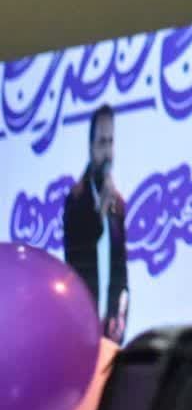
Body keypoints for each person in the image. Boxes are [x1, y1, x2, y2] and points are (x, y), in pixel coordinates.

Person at [63, 104, 129, 342]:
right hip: (81, 329)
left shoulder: (118, 204)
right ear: (90, 147)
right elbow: (75, 255)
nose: (108, 152)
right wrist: (99, 211)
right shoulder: (76, 200)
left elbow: (121, 271)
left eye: (111, 142)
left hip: (110, 332)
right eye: (102, 143)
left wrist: (120, 317)